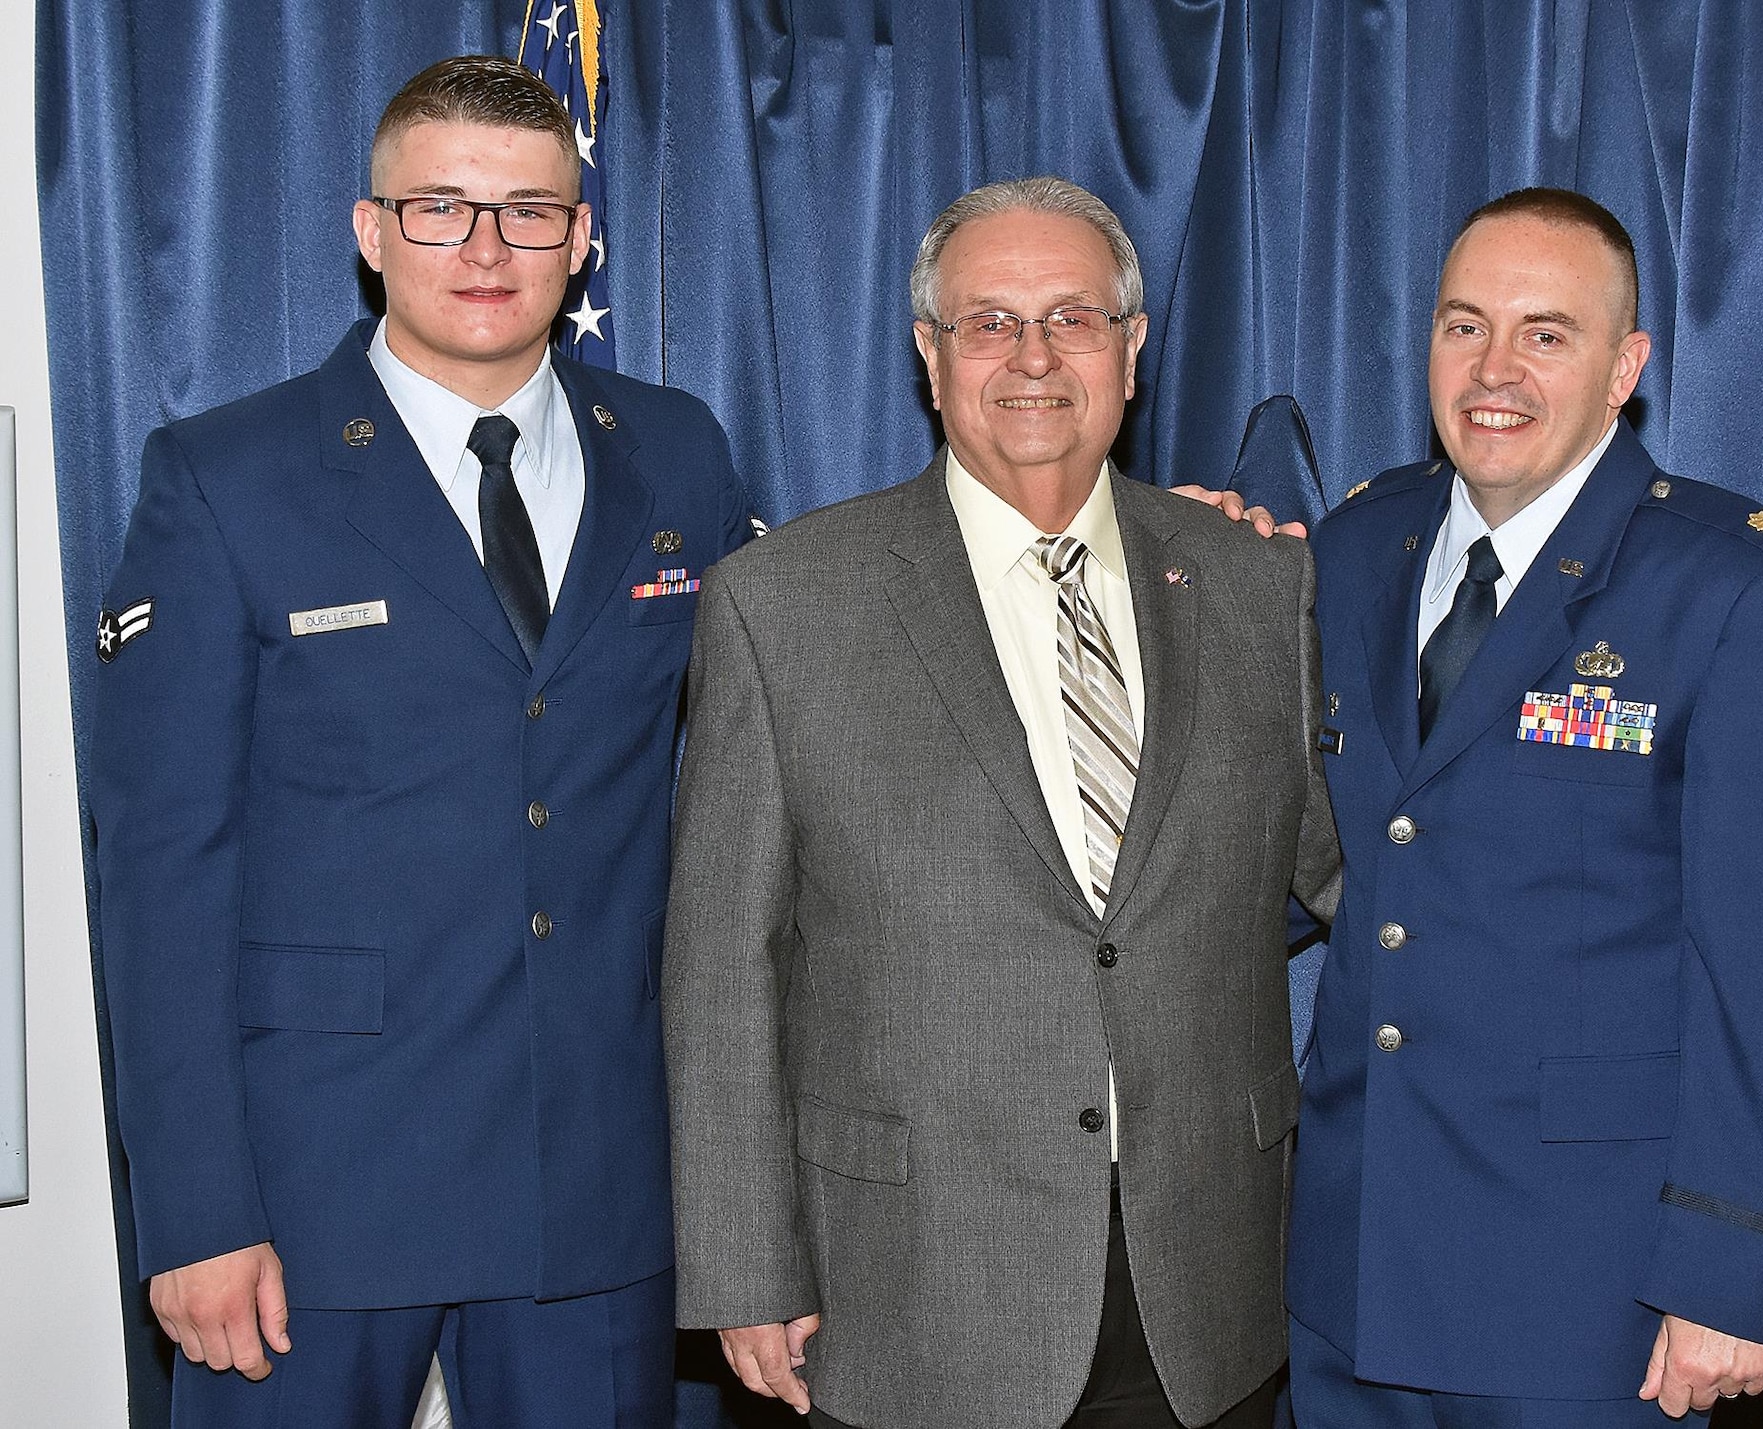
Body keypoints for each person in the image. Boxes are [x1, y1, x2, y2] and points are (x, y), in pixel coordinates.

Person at [91, 54, 748, 1424]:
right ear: (370, 228)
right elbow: (162, 873)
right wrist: (194, 1208)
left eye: (530, 212)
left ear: (583, 241)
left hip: (596, 1187)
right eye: (443, 207)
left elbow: (783, 719)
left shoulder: (680, 455)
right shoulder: (226, 477)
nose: (489, 247)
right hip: (309, 1197)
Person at [661, 176, 1343, 1429]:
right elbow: (721, 962)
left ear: (1131, 352)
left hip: (1207, 1285)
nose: (1032, 356)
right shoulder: (783, 602)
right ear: (930, 356)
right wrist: (744, 1262)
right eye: (987, 323)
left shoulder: (1256, 588)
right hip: (909, 1288)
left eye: (1073, 318)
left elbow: (1338, 872)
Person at [1286, 187, 1763, 1424]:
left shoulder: (1740, 587)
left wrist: (1732, 1273)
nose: (1493, 370)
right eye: (1462, 327)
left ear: (1624, 367)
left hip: (1588, 1292)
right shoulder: (1350, 552)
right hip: (1346, 1266)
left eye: (1545, 334)